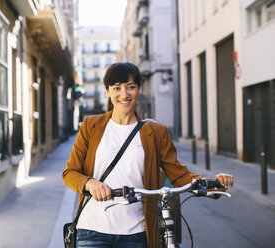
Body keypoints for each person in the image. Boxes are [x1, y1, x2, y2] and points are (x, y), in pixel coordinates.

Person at [62, 62, 233, 248]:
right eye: (116, 88)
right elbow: (70, 173)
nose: (124, 95)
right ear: (107, 91)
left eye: (131, 87)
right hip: (92, 231)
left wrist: (213, 185)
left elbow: (180, 175)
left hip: (137, 233)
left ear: (138, 89)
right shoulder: (91, 126)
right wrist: (90, 183)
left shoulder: (156, 132)